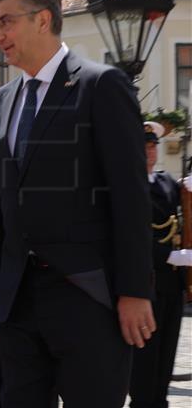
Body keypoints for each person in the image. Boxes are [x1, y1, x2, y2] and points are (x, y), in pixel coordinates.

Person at [0, 0, 155, 407]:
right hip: (18, 302)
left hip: (88, 296)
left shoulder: (101, 86)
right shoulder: (0, 103)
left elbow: (131, 197)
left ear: (42, 20)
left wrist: (135, 291)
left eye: (6, 22)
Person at [129, 121, 186, 408]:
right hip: (146, 283)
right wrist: (169, 255)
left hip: (173, 284)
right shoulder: (127, 185)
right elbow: (132, 236)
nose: (150, 153)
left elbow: (182, 210)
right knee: (145, 357)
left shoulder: (165, 182)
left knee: (167, 353)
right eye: (144, 148)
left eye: (153, 147)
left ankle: (159, 401)